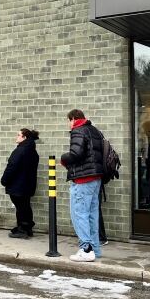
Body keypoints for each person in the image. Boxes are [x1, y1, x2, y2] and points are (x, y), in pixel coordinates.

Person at [61, 109, 105, 262]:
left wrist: (63, 159)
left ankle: (86, 249)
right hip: (96, 178)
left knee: (79, 214)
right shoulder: (94, 130)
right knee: (92, 214)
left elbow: (75, 154)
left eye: (68, 120)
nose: (69, 123)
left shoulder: (78, 130)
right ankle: (95, 249)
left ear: (73, 118)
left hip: (82, 179)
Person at [0, 128, 40, 239]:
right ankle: (27, 228)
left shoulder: (20, 150)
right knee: (25, 206)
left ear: (24, 137)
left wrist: (4, 180)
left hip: (18, 185)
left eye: (18, 135)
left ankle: (23, 229)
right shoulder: (32, 151)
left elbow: (11, 167)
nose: (16, 137)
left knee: (21, 207)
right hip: (28, 185)